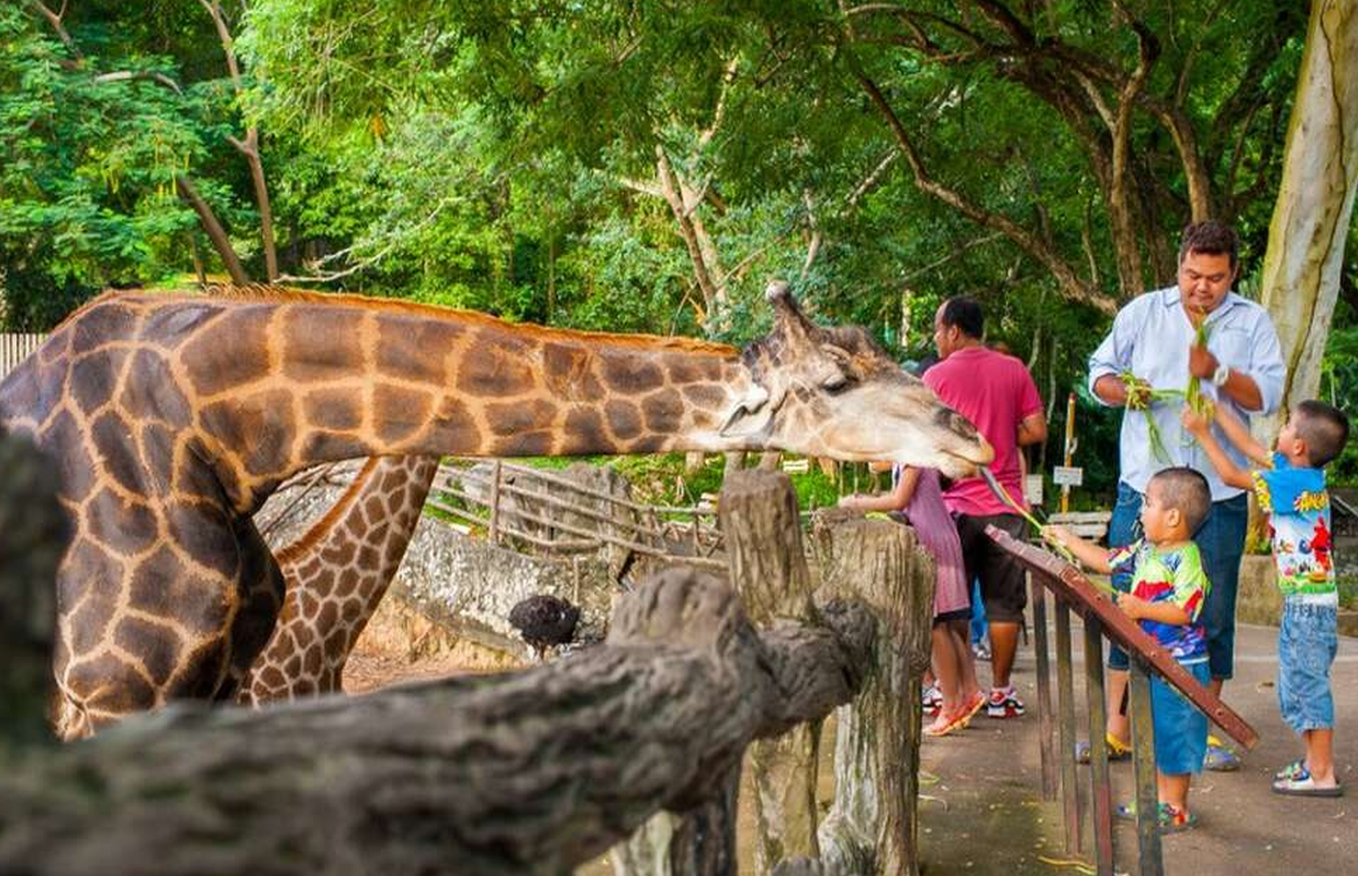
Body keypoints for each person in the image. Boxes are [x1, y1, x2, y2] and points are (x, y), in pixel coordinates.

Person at [1084, 220, 1285, 768]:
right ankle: (1118, 730)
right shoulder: (1144, 313)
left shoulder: (1252, 321)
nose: (1202, 287)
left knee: (1210, 612)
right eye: (1193, 275)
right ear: (1179, 266)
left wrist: (1217, 372)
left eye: (1215, 278)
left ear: (1233, 274)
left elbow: (1267, 396)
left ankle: (1200, 730)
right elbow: (1099, 375)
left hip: (1217, 495)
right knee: (1128, 603)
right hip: (1144, 491)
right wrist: (1124, 390)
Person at [1182, 399, 1349, 796]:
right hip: (1308, 603)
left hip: (1308, 607)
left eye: (1288, 426)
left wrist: (1202, 431)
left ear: (1299, 446)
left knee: (1307, 687)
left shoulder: (1290, 483)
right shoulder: (1300, 473)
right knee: (1299, 684)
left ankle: (1322, 772)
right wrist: (1218, 408)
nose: (1281, 430)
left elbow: (1229, 473)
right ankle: (1313, 763)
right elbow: (1250, 447)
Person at [1044, 467, 1214, 832]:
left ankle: (1176, 805)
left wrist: (1141, 608)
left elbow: (1186, 610)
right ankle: (1160, 799)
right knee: (1155, 731)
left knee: (1176, 734)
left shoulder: (1187, 558)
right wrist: (1067, 540)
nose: (1141, 511)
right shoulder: (1145, 550)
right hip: (1153, 662)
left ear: (1172, 517)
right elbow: (1107, 560)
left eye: (1148, 503)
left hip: (1180, 666)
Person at [925, 297, 1047, 719]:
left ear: (954, 330)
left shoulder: (935, 377)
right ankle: (1000, 692)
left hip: (952, 509)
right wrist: (998, 435)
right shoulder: (1013, 370)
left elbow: (929, 440)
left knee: (952, 603)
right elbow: (1036, 430)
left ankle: (959, 690)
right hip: (1005, 506)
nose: (936, 339)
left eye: (938, 330)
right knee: (1005, 604)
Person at [841, 464, 985, 737]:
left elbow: (899, 500)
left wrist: (856, 503)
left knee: (935, 625)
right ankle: (967, 692)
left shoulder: (912, 453)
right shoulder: (911, 454)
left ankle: (951, 704)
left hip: (932, 541)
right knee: (946, 623)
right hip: (939, 535)